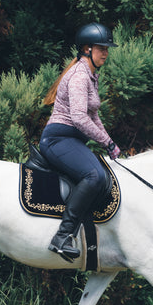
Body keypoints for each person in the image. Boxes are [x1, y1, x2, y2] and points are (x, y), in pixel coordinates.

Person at [40, 23, 121, 262]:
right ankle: (62, 237)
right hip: (58, 138)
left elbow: (94, 116)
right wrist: (105, 141)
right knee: (95, 176)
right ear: (86, 49)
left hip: (71, 139)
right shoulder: (78, 76)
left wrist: (111, 144)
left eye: (107, 48)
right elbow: (78, 117)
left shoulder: (90, 75)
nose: (105, 52)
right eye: (101, 48)